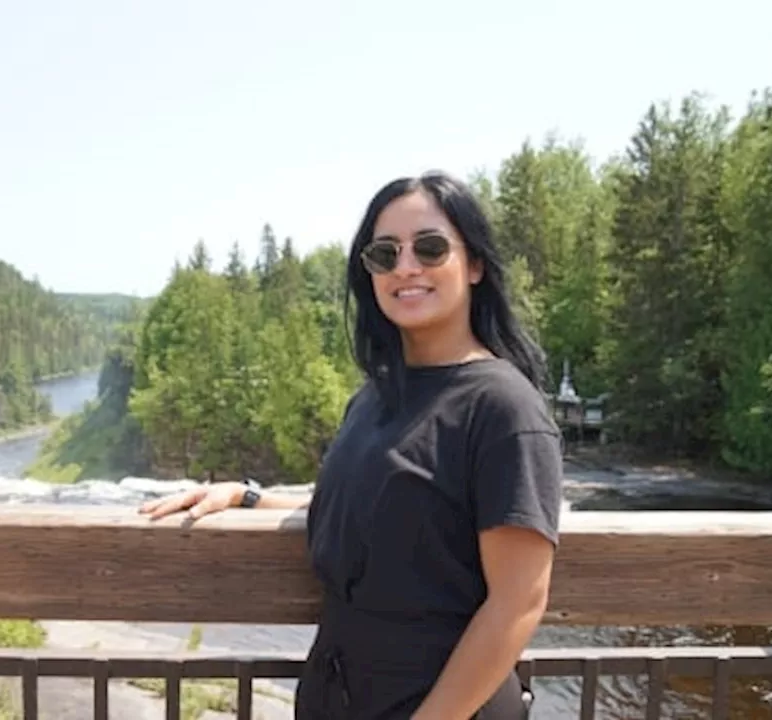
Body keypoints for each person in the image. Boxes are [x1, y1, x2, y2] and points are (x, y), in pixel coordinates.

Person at [139, 170, 563, 719]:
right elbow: (377, 509)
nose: (405, 266)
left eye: (430, 248)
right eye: (385, 254)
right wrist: (245, 498)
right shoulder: (376, 397)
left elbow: (518, 603)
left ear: (475, 264)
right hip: (341, 694)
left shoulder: (503, 408)